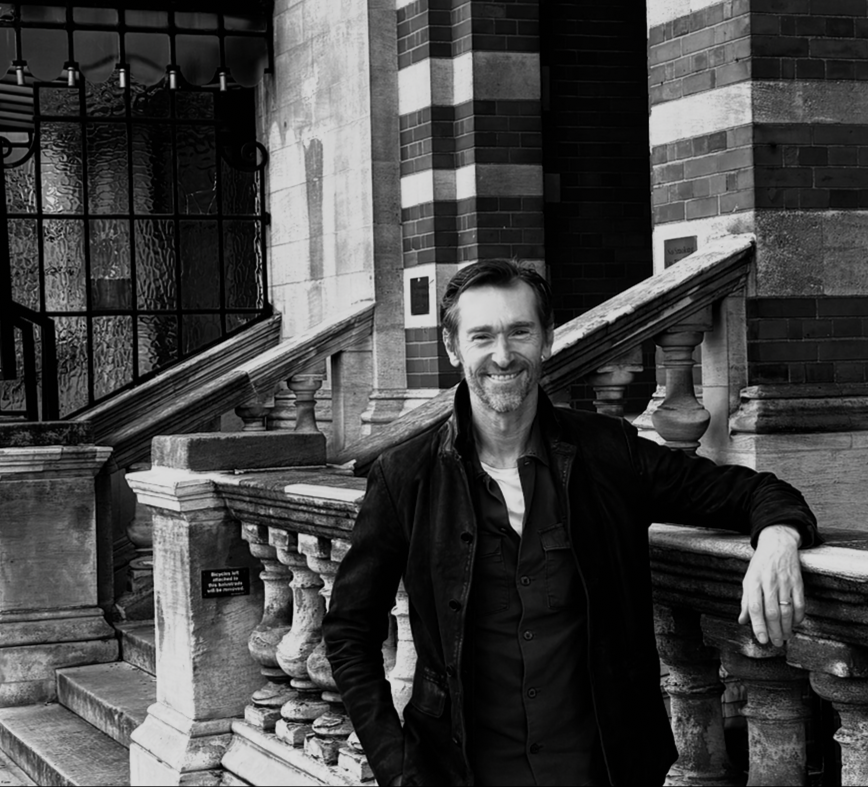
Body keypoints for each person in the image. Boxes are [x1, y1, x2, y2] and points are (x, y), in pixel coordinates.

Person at [323, 260, 820, 787]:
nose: (502, 354)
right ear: (453, 349)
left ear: (547, 339)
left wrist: (778, 538)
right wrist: (397, 769)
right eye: (482, 336)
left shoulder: (610, 454)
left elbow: (757, 491)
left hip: (601, 770)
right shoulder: (405, 476)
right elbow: (349, 631)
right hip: (459, 772)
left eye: (520, 331)